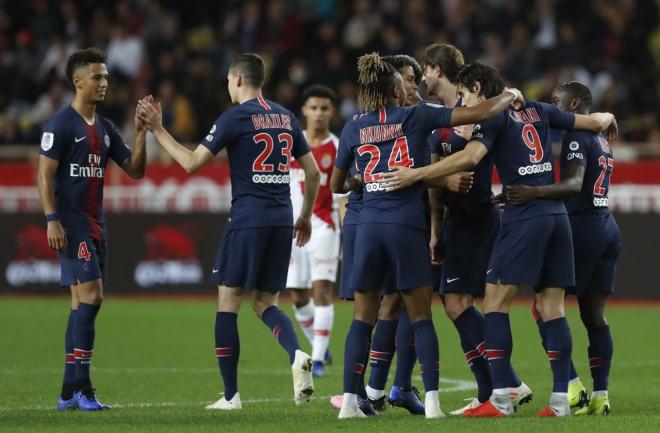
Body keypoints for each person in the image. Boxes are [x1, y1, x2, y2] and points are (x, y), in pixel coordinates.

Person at [379, 62, 616, 417]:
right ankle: (559, 402)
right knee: (552, 307)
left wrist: (416, 174)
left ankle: (502, 398)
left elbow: (471, 157)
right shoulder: (539, 109)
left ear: (477, 87)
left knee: (493, 304)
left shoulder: (495, 117)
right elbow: (597, 122)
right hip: (557, 217)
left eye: (464, 94)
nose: (462, 101)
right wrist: (610, 115)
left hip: (525, 217)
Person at [331, 52, 524, 419]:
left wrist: (367, 182)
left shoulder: (353, 126)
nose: (410, 86)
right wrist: (509, 94)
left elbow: (338, 184)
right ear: (394, 89)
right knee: (420, 315)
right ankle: (433, 403)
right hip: (405, 226)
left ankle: (351, 404)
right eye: (404, 83)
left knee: (362, 318)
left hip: (367, 226)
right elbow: (480, 114)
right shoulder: (416, 116)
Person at [137, 53, 321, 410]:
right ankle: (297, 352)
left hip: (248, 219)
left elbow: (191, 163)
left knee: (229, 302)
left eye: (227, 81)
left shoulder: (235, 117)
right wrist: (305, 216)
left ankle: (231, 396)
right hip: (282, 218)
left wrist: (158, 129)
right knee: (266, 302)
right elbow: (312, 173)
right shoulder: (286, 116)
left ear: (237, 80)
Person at [423, 45, 532, 415]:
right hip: (459, 222)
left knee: (457, 303)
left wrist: (418, 176)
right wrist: (436, 227)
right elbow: (440, 189)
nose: (421, 79)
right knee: (457, 303)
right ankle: (495, 389)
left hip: (477, 218)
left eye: (425, 70)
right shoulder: (440, 120)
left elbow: (472, 160)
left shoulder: (484, 113)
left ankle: (507, 384)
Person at [37, 47, 147, 411]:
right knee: (93, 296)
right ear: (77, 81)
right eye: (97, 77)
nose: (104, 83)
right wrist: (52, 219)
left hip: (96, 224)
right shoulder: (60, 124)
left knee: (78, 302)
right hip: (71, 224)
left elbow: (134, 169)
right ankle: (83, 387)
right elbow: (44, 175)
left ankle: (68, 393)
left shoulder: (106, 128)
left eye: (106, 77)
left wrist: (143, 132)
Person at [507, 81, 620, 416]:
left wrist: (534, 193)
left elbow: (573, 184)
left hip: (582, 228)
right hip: (606, 227)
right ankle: (601, 396)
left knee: (544, 307)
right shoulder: (600, 136)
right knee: (594, 316)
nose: (552, 106)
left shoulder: (576, 137)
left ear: (574, 105)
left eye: (557, 102)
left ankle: (571, 388)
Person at [287, 84, 340, 378]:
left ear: (331, 112)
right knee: (297, 295)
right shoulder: (291, 146)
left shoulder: (337, 147)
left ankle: (317, 359)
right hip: (294, 228)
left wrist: (346, 238)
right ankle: (319, 344)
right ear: (304, 111)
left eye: (324, 108)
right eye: (314, 108)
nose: (319, 113)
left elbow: (342, 197)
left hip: (324, 226)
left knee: (321, 291)